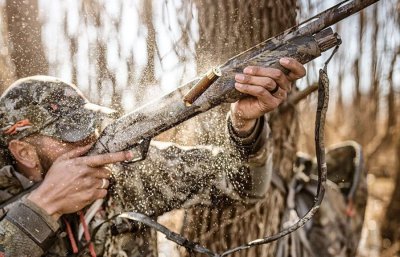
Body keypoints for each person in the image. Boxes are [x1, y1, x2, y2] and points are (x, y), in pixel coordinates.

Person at [0, 58, 306, 256]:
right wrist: (40, 209)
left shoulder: (127, 170)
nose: (91, 139)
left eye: (91, 124)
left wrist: (243, 125)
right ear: (24, 152)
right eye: (70, 133)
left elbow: (245, 187)